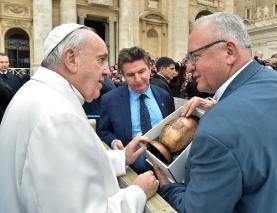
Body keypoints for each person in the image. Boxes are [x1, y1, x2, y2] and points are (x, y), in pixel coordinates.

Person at [0, 23, 159, 213]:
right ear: (71, 59)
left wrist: (122, 157)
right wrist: (138, 192)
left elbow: (71, 169)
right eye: (101, 60)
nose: (107, 71)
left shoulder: (38, 95)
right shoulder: (58, 118)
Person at [153, 12, 277, 213]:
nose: (189, 68)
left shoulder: (216, 128)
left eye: (195, 56)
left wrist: (168, 188)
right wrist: (217, 105)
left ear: (229, 52)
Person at [97, 47, 174, 174]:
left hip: (164, 167)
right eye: (131, 75)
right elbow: (103, 131)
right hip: (131, 169)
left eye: (141, 71)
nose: (138, 79)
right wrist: (113, 141)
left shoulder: (164, 95)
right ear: (122, 75)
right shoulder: (110, 100)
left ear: (150, 68)